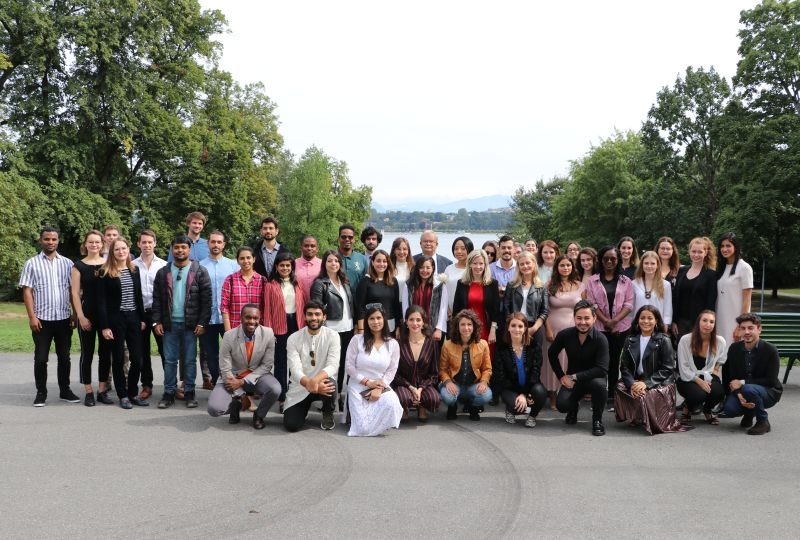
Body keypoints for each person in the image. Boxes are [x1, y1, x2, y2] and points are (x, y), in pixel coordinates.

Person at [19, 228, 80, 407]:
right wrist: (32, 317)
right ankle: (41, 393)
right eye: (47, 239)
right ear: (41, 240)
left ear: (58, 241)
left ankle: (65, 391)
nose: (50, 242)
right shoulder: (31, 263)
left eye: (54, 239)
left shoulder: (68, 264)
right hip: (42, 320)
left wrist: (75, 314)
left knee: (64, 357)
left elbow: (72, 291)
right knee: (41, 359)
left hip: (63, 318)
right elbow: (27, 291)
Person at [152, 234, 212, 409]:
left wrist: (202, 323)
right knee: (170, 360)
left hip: (191, 326)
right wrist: (156, 322)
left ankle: (190, 392)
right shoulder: (163, 272)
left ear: (189, 249)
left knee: (189, 360)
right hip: (169, 324)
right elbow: (156, 299)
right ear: (172, 249)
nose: (180, 250)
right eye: (176, 247)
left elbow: (206, 300)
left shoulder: (199, 270)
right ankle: (168, 393)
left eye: (183, 247)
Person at [615, 305, 688, 434]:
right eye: (642, 318)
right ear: (637, 320)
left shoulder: (664, 340)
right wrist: (632, 384)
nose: (646, 321)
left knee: (645, 394)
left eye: (650, 318)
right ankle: (637, 415)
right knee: (620, 387)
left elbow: (667, 369)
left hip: (660, 382)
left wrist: (646, 383)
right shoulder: (630, 339)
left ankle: (647, 418)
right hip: (637, 380)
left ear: (656, 321)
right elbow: (624, 367)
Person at [207, 304, 281, 429]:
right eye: (248, 317)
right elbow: (225, 368)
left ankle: (259, 415)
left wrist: (242, 382)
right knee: (214, 409)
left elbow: (267, 365)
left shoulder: (268, 334)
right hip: (232, 377)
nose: (252, 321)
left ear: (259, 319)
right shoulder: (229, 336)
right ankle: (236, 405)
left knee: (275, 389)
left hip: (258, 375)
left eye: (255, 318)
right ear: (241, 318)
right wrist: (240, 394)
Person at [96, 238, 148, 410]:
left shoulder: (134, 270)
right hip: (115, 320)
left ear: (128, 249)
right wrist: (104, 326)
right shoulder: (105, 272)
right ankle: (123, 395)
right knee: (118, 359)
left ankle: (133, 392)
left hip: (133, 318)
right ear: (112, 252)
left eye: (123, 248)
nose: (121, 252)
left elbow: (138, 296)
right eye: (117, 249)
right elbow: (101, 302)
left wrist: (141, 318)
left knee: (138, 359)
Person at [547, 300, 609, 436]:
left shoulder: (601, 339)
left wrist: (575, 377)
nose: (583, 322)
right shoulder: (565, 335)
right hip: (572, 380)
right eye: (579, 318)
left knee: (600, 386)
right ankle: (573, 409)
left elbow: (602, 369)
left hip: (594, 379)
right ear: (574, 318)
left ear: (594, 318)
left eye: (587, 318)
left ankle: (597, 420)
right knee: (562, 405)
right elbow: (552, 354)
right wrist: (561, 376)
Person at [583, 245, 634, 410]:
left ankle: (612, 396)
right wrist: (606, 321)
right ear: (601, 260)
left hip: (621, 328)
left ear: (618, 260)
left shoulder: (626, 281)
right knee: (599, 363)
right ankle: (599, 395)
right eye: (606, 258)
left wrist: (615, 321)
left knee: (614, 363)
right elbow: (592, 303)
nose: (609, 261)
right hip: (599, 327)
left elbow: (629, 304)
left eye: (613, 258)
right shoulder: (593, 280)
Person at [345, 304, 403, 436]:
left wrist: (379, 387)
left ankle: (379, 422)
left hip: (381, 384)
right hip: (358, 384)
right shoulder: (357, 340)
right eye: (371, 318)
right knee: (362, 429)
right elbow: (349, 367)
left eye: (379, 318)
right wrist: (367, 382)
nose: (375, 322)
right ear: (366, 321)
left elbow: (391, 370)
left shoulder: (392, 344)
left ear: (384, 319)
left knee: (392, 403)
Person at [283, 301, 341, 432]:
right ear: (304, 317)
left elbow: (333, 365)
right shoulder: (293, 338)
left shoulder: (333, 336)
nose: (314, 318)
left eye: (317, 314)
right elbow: (295, 369)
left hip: (322, 384)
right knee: (291, 425)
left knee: (330, 383)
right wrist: (309, 383)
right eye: (310, 314)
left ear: (324, 317)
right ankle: (303, 408)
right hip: (300, 386)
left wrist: (315, 381)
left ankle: (327, 411)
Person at [721, 313, 782, 435]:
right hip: (744, 390)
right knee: (729, 409)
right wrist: (738, 395)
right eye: (743, 328)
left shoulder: (770, 350)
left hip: (768, 392)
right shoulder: (734, 348)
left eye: (750, 328)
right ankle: (749, 413)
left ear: (759, 329)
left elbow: (771, 381)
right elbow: (731, 377)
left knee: (749, 389)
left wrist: (742, 383)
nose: (746, 332)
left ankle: (763, 421)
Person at [70, 230, 112, 406]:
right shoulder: (78, 266)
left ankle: (102, 390)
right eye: (91, 242)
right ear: (85, 245)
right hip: (86, 314)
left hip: (106, 316)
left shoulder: (108, 264)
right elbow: (74, 293)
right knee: (87, 354)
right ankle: (88, 391)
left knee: (105, 354)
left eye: (97, 242)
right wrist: (80, 316)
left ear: (102, 244)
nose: (94, 245)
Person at [311, 250, 355, 411]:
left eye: (336, 261)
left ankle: (339, 395)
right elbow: (316, 309)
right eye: (330, 261)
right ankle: (327, 399)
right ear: (325, 264)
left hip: (347, 328)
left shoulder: (345, 281)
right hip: (330, 330)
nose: (333, 264)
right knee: (328, 366)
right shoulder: (320, 283)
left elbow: (351, 305)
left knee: (343, 364)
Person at [262, 252, 307, 408]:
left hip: (297, 324)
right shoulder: (270, 285)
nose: (285, 268)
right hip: (279, 326)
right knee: (281, 363)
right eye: (282, 265)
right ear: (276, 266)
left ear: (292, 267)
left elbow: (304, 305)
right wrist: (269, 332)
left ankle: (294, 394)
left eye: (288, 265)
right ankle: (282, 397)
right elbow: (267, 310)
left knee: (296, 361)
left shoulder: (298, 283)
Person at [543, 255, 584, 410]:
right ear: (556, 267)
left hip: (575, 331)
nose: (565, 268)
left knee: (572, 361)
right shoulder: (549, 285)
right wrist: (547, 329)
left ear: (572, 267)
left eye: (568, 265)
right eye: (562, 265)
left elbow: (586, 307)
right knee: (554, 361)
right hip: (554, 330)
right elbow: (544, 309)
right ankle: (552, 395)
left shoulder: (580, 286)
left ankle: (570, 394)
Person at [198, 230, 238, 388]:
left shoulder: (232, 265)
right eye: (213, 241)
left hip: (227, 317)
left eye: (219, 242)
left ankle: (234, 384)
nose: (216, 245)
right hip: (208, 317)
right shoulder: (199, 266)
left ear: (224, 244)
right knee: (211, 354)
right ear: (208, 243)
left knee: (233, 352)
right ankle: (218, 383)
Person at [439, 309, 493, 421]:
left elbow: (487, 369)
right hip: (455, 384)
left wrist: (483, 382)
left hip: (473, 385)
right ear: (457, 327)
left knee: (487, 395)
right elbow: (442, 369)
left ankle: (473, 407)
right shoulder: (448, 345)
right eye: (462, 324)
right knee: (448, 397)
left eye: (469, 324)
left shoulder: (483, 344)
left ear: (474, 327)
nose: (466, 328)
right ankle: (452, 407)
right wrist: (448, 382)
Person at [132, 230, 167, 401]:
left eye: (149, 242)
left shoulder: (164, 265)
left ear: (155, 243)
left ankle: (170, 386)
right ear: (138, 244)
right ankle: (146, 385)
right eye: (143, 242)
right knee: (142, 352)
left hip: (158, 314)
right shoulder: (131, 265)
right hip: (139, 314)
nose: (147, 245)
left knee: (165, 351)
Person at [496, 313, 547, 427]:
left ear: (525, 328)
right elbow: (501, 376)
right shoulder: (501, 348)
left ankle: (532, 416)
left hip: (530, 386)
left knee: (540, 392)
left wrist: (525, 394)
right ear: (508, 328)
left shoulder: (534, 346)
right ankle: (510, 410)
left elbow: (535, 372)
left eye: (520, 326)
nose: (517, 329)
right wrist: (519, 395)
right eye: (513, 326)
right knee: (518, 407)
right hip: (510, 389)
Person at [392, 306, 441, 422]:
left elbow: (434, 373)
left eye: (418, 320)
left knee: (434, 399)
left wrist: (420, 389)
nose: (415, 323)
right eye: (411, 320)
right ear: (406, 322)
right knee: (403, 398)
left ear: (423, 322)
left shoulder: (432, 344)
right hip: (404, 385)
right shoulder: (398, 344)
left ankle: (422, 407)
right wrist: (410, 387)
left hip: (424, 385)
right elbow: (394, 373)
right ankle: (404, 408)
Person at [676, 310, 726, 423]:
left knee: (719, 393)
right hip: (687, 377)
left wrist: (715, 371)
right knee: (698, 395)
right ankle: (687, 408)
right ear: (698, 322)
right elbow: (683, 368)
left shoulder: (720, 341)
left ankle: (707, 410)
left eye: (711, 322)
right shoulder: (685, 340)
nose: (708, 324)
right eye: (705, 320)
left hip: (708, 375)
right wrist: (700, 381)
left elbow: (722, 358)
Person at [453, 249, 501, 360]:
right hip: (466, 329)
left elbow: (496, 310)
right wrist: (456, 332)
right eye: (474, 263)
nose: (478, 267)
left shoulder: (492, 284)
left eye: (481, 263)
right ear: (469, 264)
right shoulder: (462, 283)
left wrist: (493, 331)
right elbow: (457, 309)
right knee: (467, 360)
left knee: (485, 361)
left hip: (486, 329)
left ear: (485, 265)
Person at [672, 237, 718, 339]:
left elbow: (710, 302)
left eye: (700, 252)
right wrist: (674, 321)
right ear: (689, 251)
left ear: (705, 253)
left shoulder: (711, 275)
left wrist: (707, 323)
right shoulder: (682, 270)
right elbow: (676, 298)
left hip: (699, 324)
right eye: (693, 251)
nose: (696, 255)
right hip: (681, 323)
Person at [715, 232, 753, 347]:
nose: (724, 249)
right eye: (722, 246)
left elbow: (747, 300)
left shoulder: (744, 268)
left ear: (735, 247)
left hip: (735, 320)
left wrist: (740, 325)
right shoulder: (721, 268)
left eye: (728, 246)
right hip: (720, 320)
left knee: (734, 354)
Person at [400, 255, 448, 340]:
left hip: (433, 328)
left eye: (428, 267)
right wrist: (407, 326)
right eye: (421, 267)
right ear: (417, 269)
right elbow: (405, 308)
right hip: (414, 327)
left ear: (433, 268)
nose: (424, 270)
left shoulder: (439, 285)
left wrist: (439, 329)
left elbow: (443, 309)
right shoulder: (409, 285)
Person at [355, 249, 401, 333]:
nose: (381, 264)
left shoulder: (393, 281)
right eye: (378, 261)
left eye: (384, 261)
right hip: (372, 325)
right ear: (372, 262)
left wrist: (398, 327)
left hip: (390, 325)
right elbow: (360, 307)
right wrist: (361, 329)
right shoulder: (365, 281)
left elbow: (396, 306)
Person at [220, 246, 265, 332]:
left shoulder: (262, 281)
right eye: (242, 258)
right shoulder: (230, 280)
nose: (246, 261)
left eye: (248, 258)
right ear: (237, 261)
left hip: (257, 329)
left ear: (254, 259)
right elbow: (224, 307)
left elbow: (265, 307)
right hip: (236, 329)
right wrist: (228, 330)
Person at [632, 251, 673, 327]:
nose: (649, 266)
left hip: (658, 326)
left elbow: (668, 308)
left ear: (657, 265)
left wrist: (665, 325)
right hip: (638, 325)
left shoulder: (665, 285)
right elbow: (631, 308)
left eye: (653, 263)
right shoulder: (634, 284)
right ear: (642, 265)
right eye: (646, 263)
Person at [443, 236, 473, 314]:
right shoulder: (449, 268)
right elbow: (444, 291)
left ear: (469, 250)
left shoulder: (473, 269)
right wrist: (447, 309)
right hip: (449, 312)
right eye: (456, 248)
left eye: (463, 249)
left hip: (468, 312)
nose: (459, 251)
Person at [337, 224, 368, 295]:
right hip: (337, 302)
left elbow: (366, 283)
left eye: (350, 237)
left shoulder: (362, 259)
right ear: (338, 238)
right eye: (343, 237)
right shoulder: (332, 258)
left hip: (357, 302)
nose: (347, 239)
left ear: (354, 239)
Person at [294, 235, 321, 300]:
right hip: (298, 304)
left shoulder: (323, 264)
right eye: (306, 246)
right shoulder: (293, 264)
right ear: (301, 248)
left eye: (312, 246)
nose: (309, 248)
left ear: (317, 249)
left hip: (318, 306)